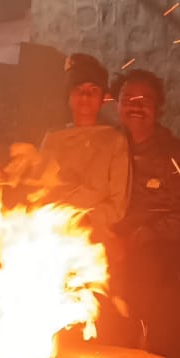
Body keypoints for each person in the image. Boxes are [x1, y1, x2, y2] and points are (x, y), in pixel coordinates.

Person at [107, 69, 180, 353]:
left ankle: (144, 352)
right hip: (106, 242)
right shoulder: (104, 147)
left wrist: (138, 238)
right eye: (128, 100)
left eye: (144, 101)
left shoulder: (176, 156)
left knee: (146, 273)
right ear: (117, 105)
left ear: (158, 107)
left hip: (154, 251)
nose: (135, 107)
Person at [37, 53, 131, 239]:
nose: (85, 95)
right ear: (69, 97)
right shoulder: (54, 138)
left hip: (94, 239)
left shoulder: (115, 141)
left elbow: (118, 204)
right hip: (53, 233)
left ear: (103, 98)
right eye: (78, 89)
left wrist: (85, 220)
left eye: (93, 90)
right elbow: (37, 190)